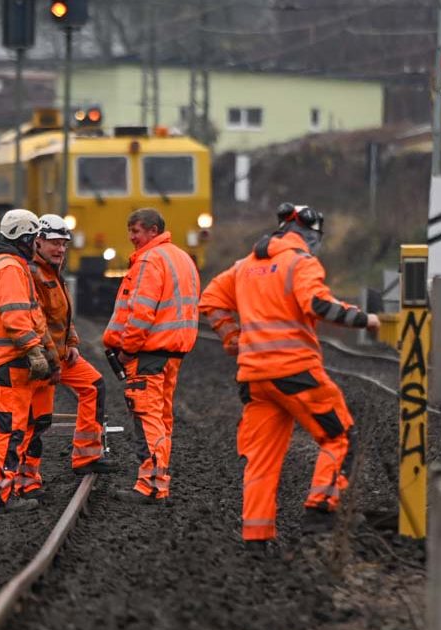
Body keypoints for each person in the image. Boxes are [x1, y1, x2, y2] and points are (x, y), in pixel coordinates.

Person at [199, 203, 379, 550]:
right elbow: (319, 305)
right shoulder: (301, 262)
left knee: (261, 460)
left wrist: (233, 339)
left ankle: (256, 536)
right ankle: (321, 512)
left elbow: (210, 299)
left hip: (254, 379)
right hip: (296, 373)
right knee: (339, 437)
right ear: (310, 235)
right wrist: (366, 320)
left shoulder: (244, 267)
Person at [103, 208, 200, 504]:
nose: (132, 238)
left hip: (150, 352)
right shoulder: (182, 257)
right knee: (161, 418)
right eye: (130, 231)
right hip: (174, 351)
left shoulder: (150, 259)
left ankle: (150, 486)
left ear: (153, 231)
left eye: (137, 232)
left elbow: (141, 312)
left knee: (146, 417)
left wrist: (126, 350)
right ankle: (159, 482)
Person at [19, 214, 117, 494]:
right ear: (37, 242)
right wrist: (52, 360)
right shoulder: (32, 274)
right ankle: (26, 481)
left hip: (60, 354)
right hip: (40, 358)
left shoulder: (53, 271)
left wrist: (72, 343)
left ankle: (87, 456)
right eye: (54, 243)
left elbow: (63, 315)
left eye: (63, 244)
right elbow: (36, 321)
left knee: (94, 386)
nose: (60, 249)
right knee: (35, 420)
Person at [0, 209, 54, 513]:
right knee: (8, 429)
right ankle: (2, 495)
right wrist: (34, 350)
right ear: (26, 238)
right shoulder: (10, 268)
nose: (37, 244)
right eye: (35, 238)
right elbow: (16, 315)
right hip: (9, 362)